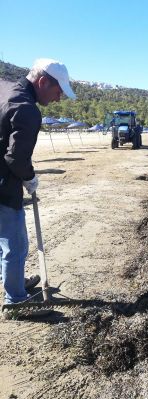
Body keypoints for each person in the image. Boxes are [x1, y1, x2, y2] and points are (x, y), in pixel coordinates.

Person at [0, 58, 76, 305]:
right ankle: (16, 300)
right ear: (43, 81)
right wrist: (30, 177)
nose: (59, 99)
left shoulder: (4, 88)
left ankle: (12, 282)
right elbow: (16, 158)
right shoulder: (27, 109)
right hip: (3, 185)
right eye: (58, 91)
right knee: (16, 243)